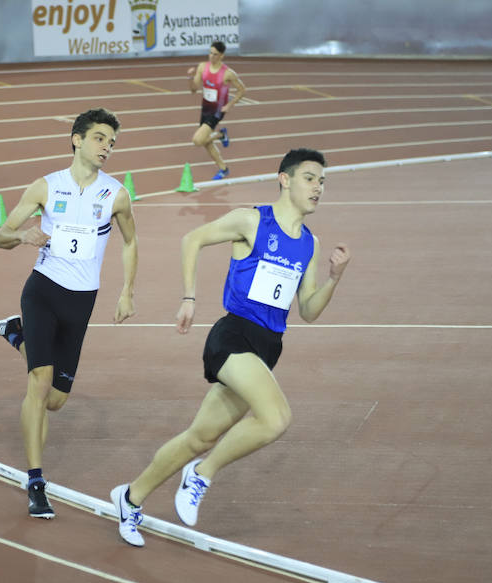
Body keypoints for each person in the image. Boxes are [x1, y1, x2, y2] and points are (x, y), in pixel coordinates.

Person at [110, 148, 351, 546]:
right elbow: (192, 239)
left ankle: (130, 497)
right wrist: (189, 298)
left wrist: (334, 279)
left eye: (323, 181)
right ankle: (201, 474)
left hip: (268, 348)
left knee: (200, 437)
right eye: (310, 178)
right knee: (275, 419)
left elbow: (307, 310)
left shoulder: (310, 244)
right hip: (233, 336)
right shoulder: (252, 220)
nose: (318, 188)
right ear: (284, 179)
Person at [0, 108, 139, 519]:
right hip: (42, 290)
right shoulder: (45, 186)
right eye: (99, 138)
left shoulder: (117, 194)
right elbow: (0, 236)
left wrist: (126, 291)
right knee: (38, 384)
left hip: (82, 301)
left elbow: (130, 242)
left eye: (112, 141)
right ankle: (36, 481)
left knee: (56, 399)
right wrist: (23, 236)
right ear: (76, 139)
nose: (107, 147)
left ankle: (16, 335)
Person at [186, 41, 246, 181]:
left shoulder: (228, 73)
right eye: (210, 53)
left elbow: (242, 90)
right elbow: (194, 90)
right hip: (205, 108)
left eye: (215, 54)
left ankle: (220, 135)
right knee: (206, 142)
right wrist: (190, 77)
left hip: (218, 110)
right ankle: (223, 169)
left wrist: (230, 105)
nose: (211, 56)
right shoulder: (202, 67)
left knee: (197, 140)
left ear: (221, 56)